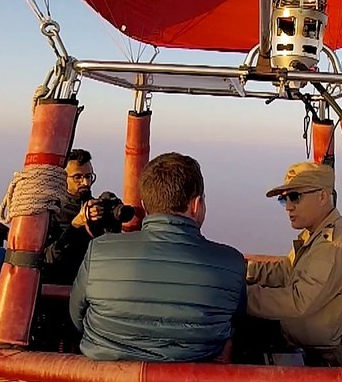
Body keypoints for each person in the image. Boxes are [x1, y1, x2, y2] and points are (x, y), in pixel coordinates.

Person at [70, 152, 245, 362]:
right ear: (196, 204)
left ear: (144, 204)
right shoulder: (231, 263)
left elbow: (77, 318)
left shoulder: (98, 251)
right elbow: (235, 324)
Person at [245, 162, 342, 366]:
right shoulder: (314, 233)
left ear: (323, 196)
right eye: (284, 199)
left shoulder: (334, 245)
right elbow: (286, 270)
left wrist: (239, 297)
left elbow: (299, 301)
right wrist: (244, 271)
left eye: (295, 196)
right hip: (299, 345)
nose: (288, 206)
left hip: (324, 362)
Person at [41, 148, 111, 285]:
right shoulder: (51, 212)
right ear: (63, 179)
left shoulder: (98, 209)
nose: (85, 183)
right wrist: (75, 226)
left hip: (95, 286)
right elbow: (47, 259)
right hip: (62, 288)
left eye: (89, 176)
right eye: (77, 177)